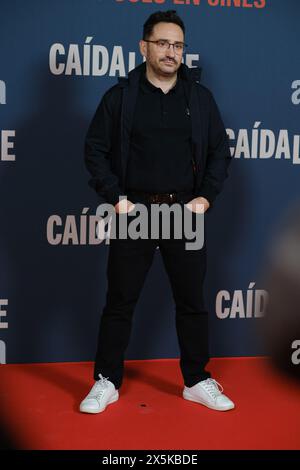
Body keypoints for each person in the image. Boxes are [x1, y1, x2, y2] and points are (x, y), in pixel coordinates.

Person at [80, 10, 234, 414]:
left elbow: (219, 150)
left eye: (178, 45)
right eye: (163, 43)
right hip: (134, 211)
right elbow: (94, 150)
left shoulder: (199, 99)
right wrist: (116, 198)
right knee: (120, 301)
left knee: (192, 301)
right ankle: (107, 381)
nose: (171, 52)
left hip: (185, 211)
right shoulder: (121, 97)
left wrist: (205, 199)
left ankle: (197, 379)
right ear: (144, 46)